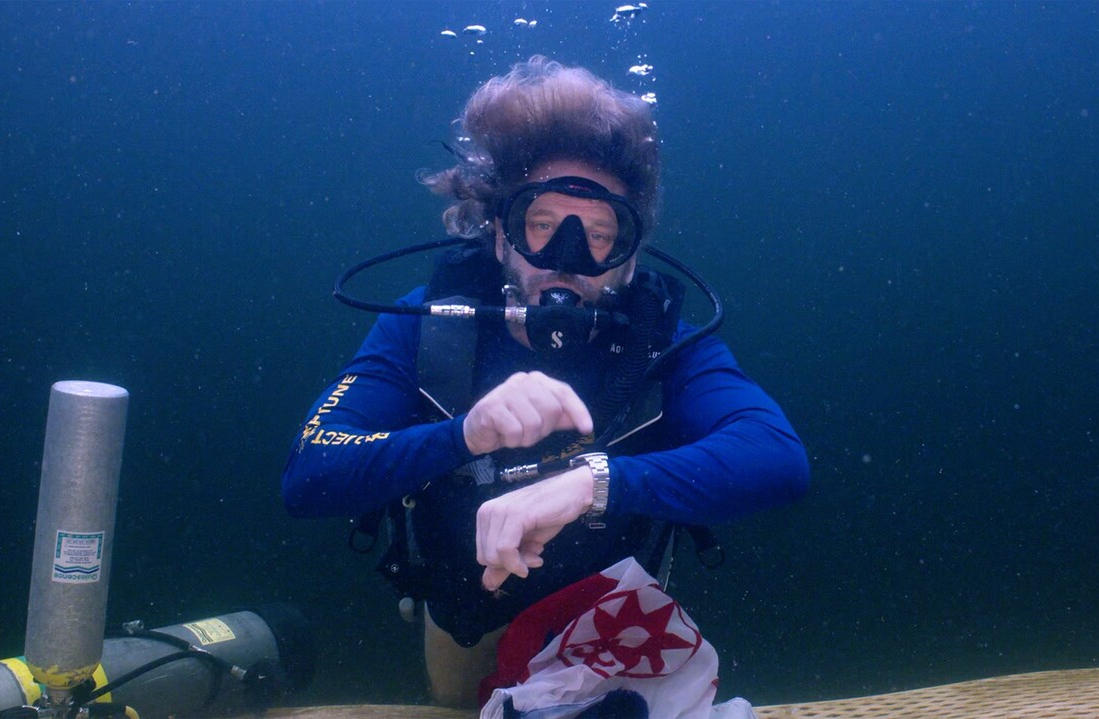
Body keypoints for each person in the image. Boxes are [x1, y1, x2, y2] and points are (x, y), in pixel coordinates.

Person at [282, 56, 810, 709]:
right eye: (542, 224)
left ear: (629, 257)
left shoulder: (658, 340)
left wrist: (598, 482)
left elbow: (779, 457)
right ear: (500, 235)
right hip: (466, 625)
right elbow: (309, 470)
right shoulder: (433, 325)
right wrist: (463, 433)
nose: (568, 260)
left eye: (597, 235)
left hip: (610, 628)